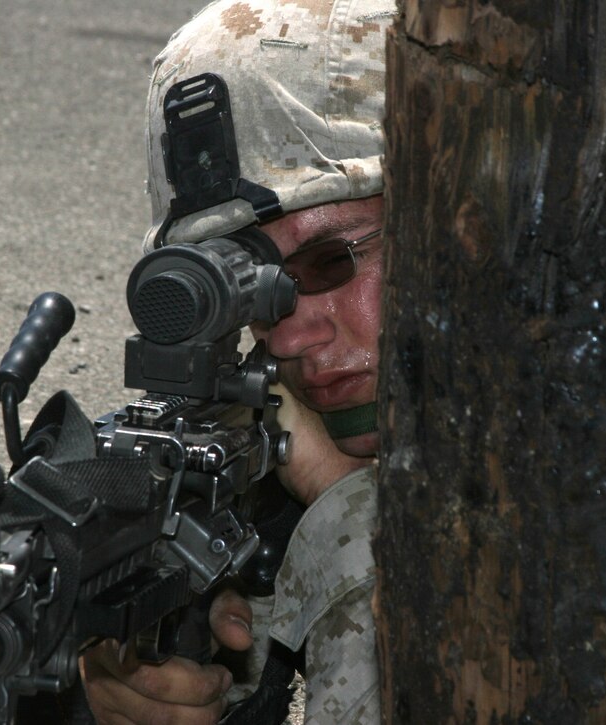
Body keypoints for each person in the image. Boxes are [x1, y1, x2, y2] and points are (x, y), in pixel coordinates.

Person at [82, 0, 394, 722]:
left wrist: (347, 514)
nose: (286, 336)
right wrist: (100, 686)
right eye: (249, 287)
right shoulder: (254, 442)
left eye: (327, 260)